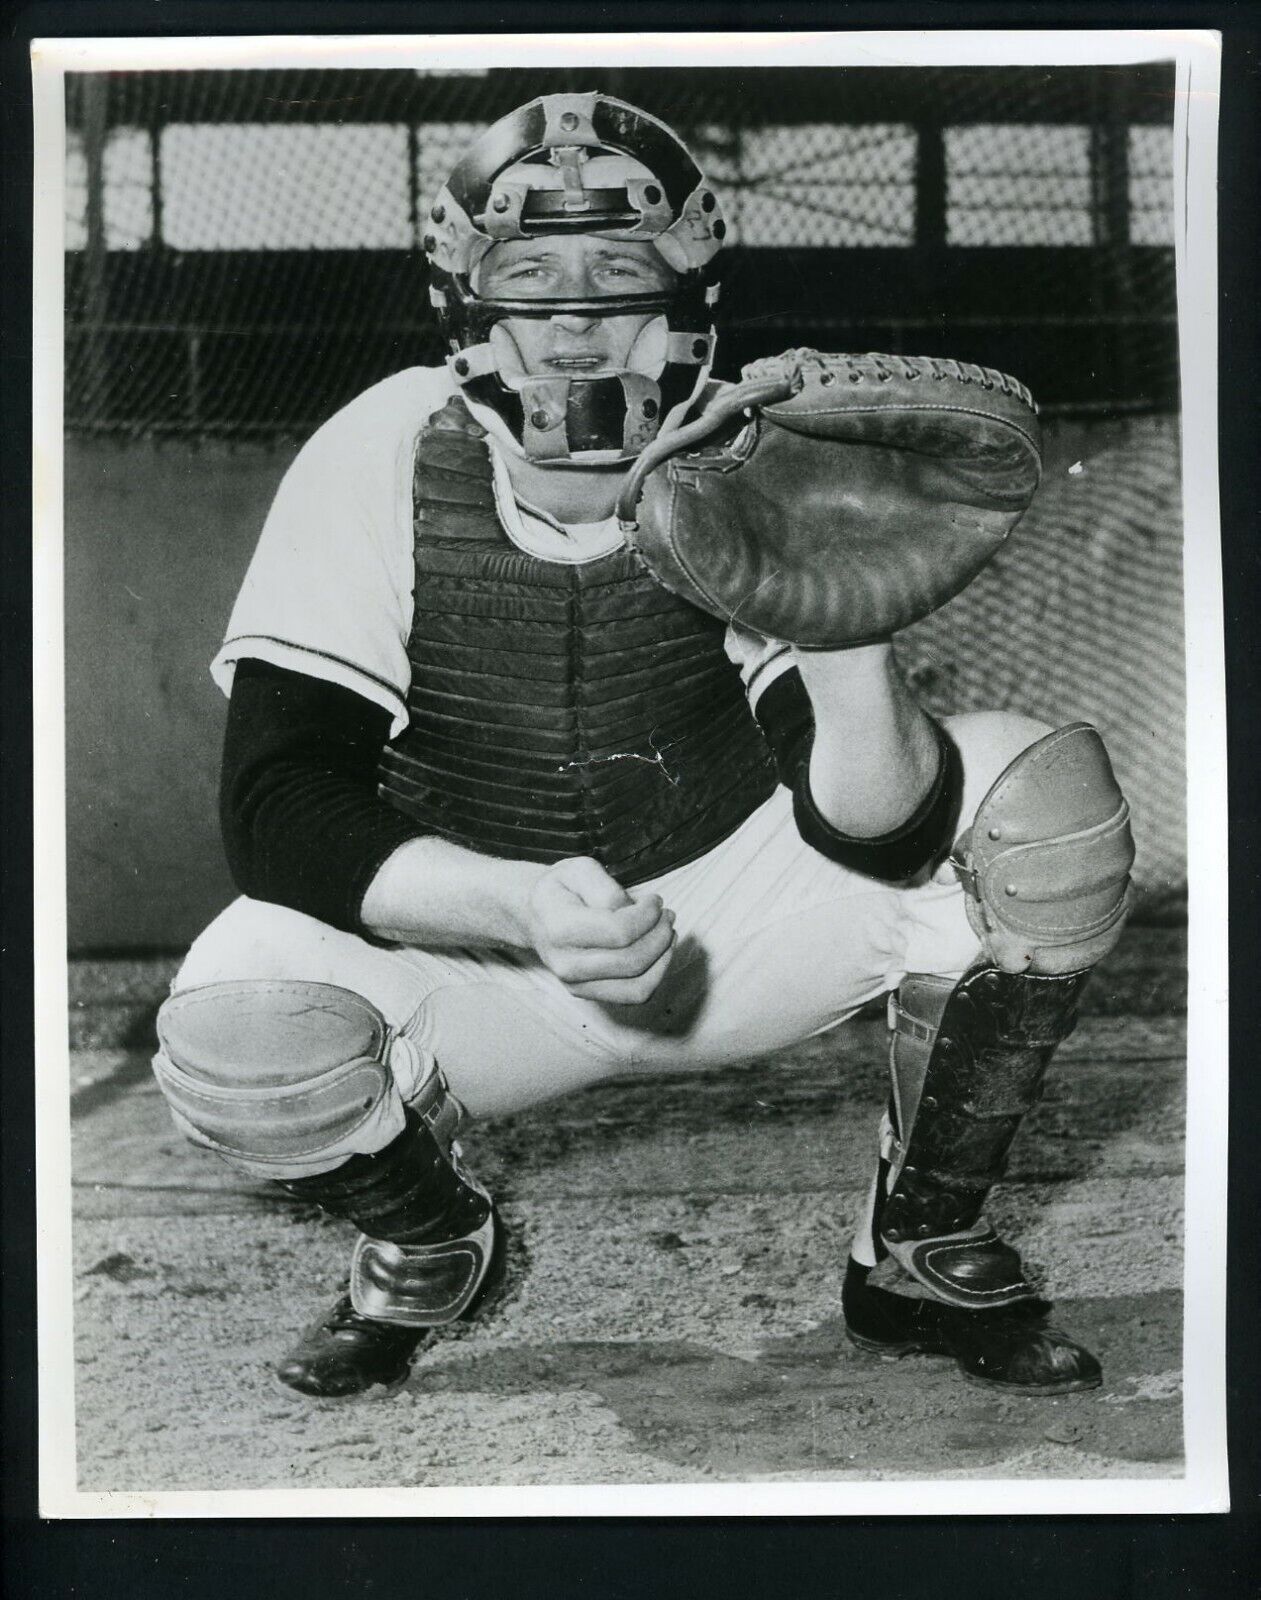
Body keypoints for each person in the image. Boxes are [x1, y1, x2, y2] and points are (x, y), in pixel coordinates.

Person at [151, 92, 1134, 1401]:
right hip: (483, 956)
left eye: (618, 271)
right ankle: (431, 1236)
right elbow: (274, 804)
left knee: (1037, 802)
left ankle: (918, 1238)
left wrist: (847, 632)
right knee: (235, 1025)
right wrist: (514, 903)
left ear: (692, 294)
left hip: (729, 927)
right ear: (460, 300)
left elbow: (880, 832)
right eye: (532, 277)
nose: (575, 321)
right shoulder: (386, 445)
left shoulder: (745, 448)